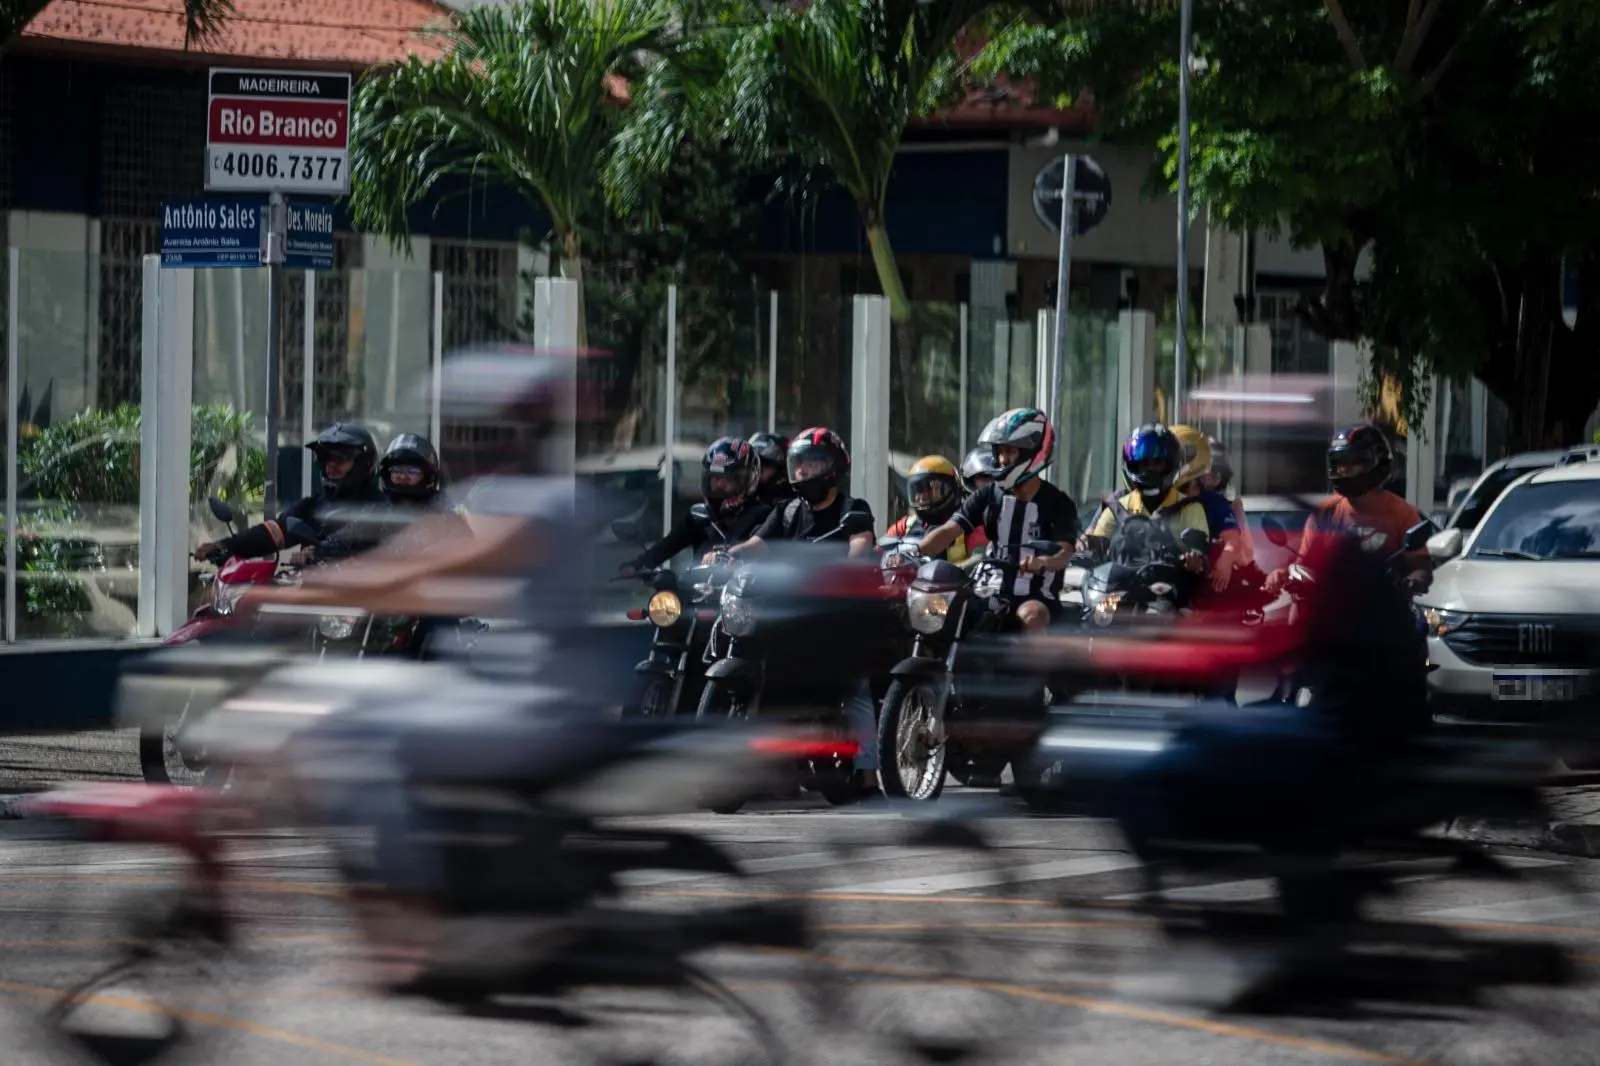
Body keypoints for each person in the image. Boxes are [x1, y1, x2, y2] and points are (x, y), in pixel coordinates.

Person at [254, 348, 625, 987]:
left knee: (363, 741)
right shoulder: (501, 495)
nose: (467, 443)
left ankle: (414, 923)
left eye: (478, 428)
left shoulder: (545, 503)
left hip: (544, 705)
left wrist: (316, 590)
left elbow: (442, 568)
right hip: (509, 691)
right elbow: (424, 570)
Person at [721, 428, 879, 794]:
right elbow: (759, 543)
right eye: (800, 466)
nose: (805, 473)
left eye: (813, 464)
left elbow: (861, 542)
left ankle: (868, 773)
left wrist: (847, 564)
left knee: (856, 687)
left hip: (838, 615)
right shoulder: (787, 510)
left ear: (834, 468)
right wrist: (730, 553)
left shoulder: (853, 509)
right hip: (793, 615)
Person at [917, 408, 1078, 634]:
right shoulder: (989, 495)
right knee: (941, 609)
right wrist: (914, 551)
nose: (1002, 459)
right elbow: (949, 530)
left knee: (1033, 616)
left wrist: (1041, 562)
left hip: (1035, 595)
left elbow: (1064, 553)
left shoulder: (1059, 503)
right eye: (999, 452)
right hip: (988, 588)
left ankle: (1029, 670)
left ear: (1033, 451)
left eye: (1010, 451)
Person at [1264, 422, 1432, 596]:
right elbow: (1304, 565)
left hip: (1385, 610)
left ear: (1376, 463)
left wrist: (1412, 581)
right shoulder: (1324, 512)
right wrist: (1282, 573)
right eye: (1339, 463)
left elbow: (1421, 567)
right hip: (1334, 610)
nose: (1343, 469)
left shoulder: (1402, 512)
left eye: (1352, 463)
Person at [193, 422, 384, 563]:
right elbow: (276, 531)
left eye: (340, 459)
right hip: (318, 600)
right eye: (327, 459)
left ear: (363, 464)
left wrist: (321, 552)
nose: (331, 466)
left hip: (364, 604)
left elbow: (360, 539)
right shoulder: (314, 505)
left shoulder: (381, 507)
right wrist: (226, 546)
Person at [1075, 423, 1209, 579]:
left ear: (1171, 464)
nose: (1149, 470)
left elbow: (1201, 554)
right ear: (1132, 465)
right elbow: (1099, 543)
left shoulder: (1189, 507)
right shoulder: (1117, 507)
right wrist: (1084, 545)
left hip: (1171, 592)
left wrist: (1195, 559)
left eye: (1157, 463)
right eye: (1144, 464)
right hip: (1122, 590)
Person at [621, 437, 770, 574]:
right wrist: (638, 565)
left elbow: (763, 550)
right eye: (715, 478)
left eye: (728, 479)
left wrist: (729, 554)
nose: (719, 485)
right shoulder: (700, 516)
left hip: (743, 596)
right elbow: (669, 545)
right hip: (700, 595)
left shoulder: (762, 516)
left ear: (747, 481)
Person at [1170, 425, 1249, 592]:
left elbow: (1232, 539)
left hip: (1205, 577)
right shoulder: (1164, 496)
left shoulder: (1215, 502)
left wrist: (1224, 562)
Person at [885, 454, 988, 564]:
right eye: (918, 489)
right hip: (907, 580)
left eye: (930, 488)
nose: (922, 496)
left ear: (951, 488)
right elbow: (880, 551)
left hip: (954, 581)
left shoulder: (970, 525)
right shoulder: (906, 525)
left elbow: (979, 561)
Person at [747, 431, 794, 505]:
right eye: (752, 463)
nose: (756, 469)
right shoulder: (746, 495)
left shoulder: (790, 499)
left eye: (763, 464)